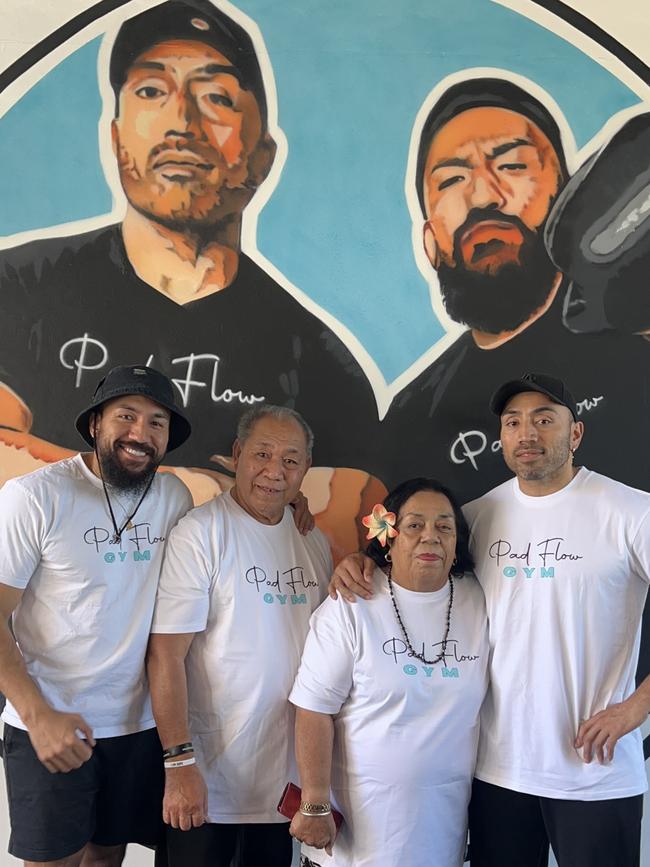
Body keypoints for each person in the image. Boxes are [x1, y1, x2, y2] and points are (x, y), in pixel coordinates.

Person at [0, 0, 385, 548]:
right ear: (115, 138)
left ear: (262, 157)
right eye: (152, 91)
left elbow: (353, 511)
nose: (182, 122)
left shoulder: (322, 364)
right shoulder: (19, 286)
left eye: (217, 97)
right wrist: (187, 489)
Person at [332, 372, 650, 867]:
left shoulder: (631, 513)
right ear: (501, 437)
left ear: (576, 433)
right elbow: (417, 555)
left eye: (545, 420)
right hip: (497, 775)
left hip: (596, 775)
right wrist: (366, 558)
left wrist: (636, 709)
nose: (528, 434)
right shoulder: (478, 517)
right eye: (514, 422)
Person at [380, 76, 649, 501]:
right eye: (451, 181)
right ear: (430, 243)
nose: (484, 196)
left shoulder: (636, 326)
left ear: (568, 197)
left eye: (512, 165)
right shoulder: (411, 415)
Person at [0, 364, 193, 867]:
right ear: (94, 425)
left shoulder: (174, 498)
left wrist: (292, 504)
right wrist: (38, 717)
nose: (140, 433)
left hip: (136, 726)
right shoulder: (34, 498)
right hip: (50, 720)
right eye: (126, 416)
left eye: (157, 422)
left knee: (108, 857)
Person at [146, 404, 333, 867]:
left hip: (284, 791)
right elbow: (165, 657)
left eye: (291, 460)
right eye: (262, 454)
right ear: (237, 454)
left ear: (306, 469)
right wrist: (179, 764)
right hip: (209, 786)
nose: (274, 471)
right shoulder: (200, 534)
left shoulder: (314, 541)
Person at [288, 478, 488, 867]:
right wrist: (313, 802)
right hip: (353, 847)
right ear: (389, 538)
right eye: (415, 525)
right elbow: (314, 709)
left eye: (444, 526)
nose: (430, 537)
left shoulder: (479, 600)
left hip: (440, 840)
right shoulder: (350, 604)